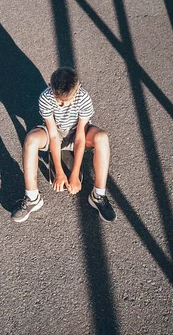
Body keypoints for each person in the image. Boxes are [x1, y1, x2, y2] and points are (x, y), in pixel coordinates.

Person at [11, 67, 116, 223]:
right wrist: (59, 172)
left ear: (78, 87)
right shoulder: (45, 98)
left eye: (68, 99)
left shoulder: (84, 98)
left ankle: (98, 195)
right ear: (49, 86)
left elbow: (80, 137)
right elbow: (53, 135)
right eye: (58, 99)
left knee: (102, 138)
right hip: (56, 133)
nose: (62, 104)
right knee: (31, 140)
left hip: (78, 134)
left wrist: (74, 174)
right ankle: (32, 197)